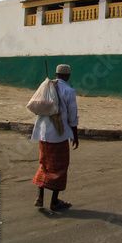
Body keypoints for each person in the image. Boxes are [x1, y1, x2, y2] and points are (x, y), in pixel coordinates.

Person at [31, 64, 79, 211]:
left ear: (56, 74)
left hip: (43, 133)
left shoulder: (46, 86)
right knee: (60, 167)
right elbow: (72, 117)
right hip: (59, 135)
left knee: (45, 164)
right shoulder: (69, 91)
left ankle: (40, 197)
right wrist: (75, 136)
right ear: (68, 76)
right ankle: (54, 201)